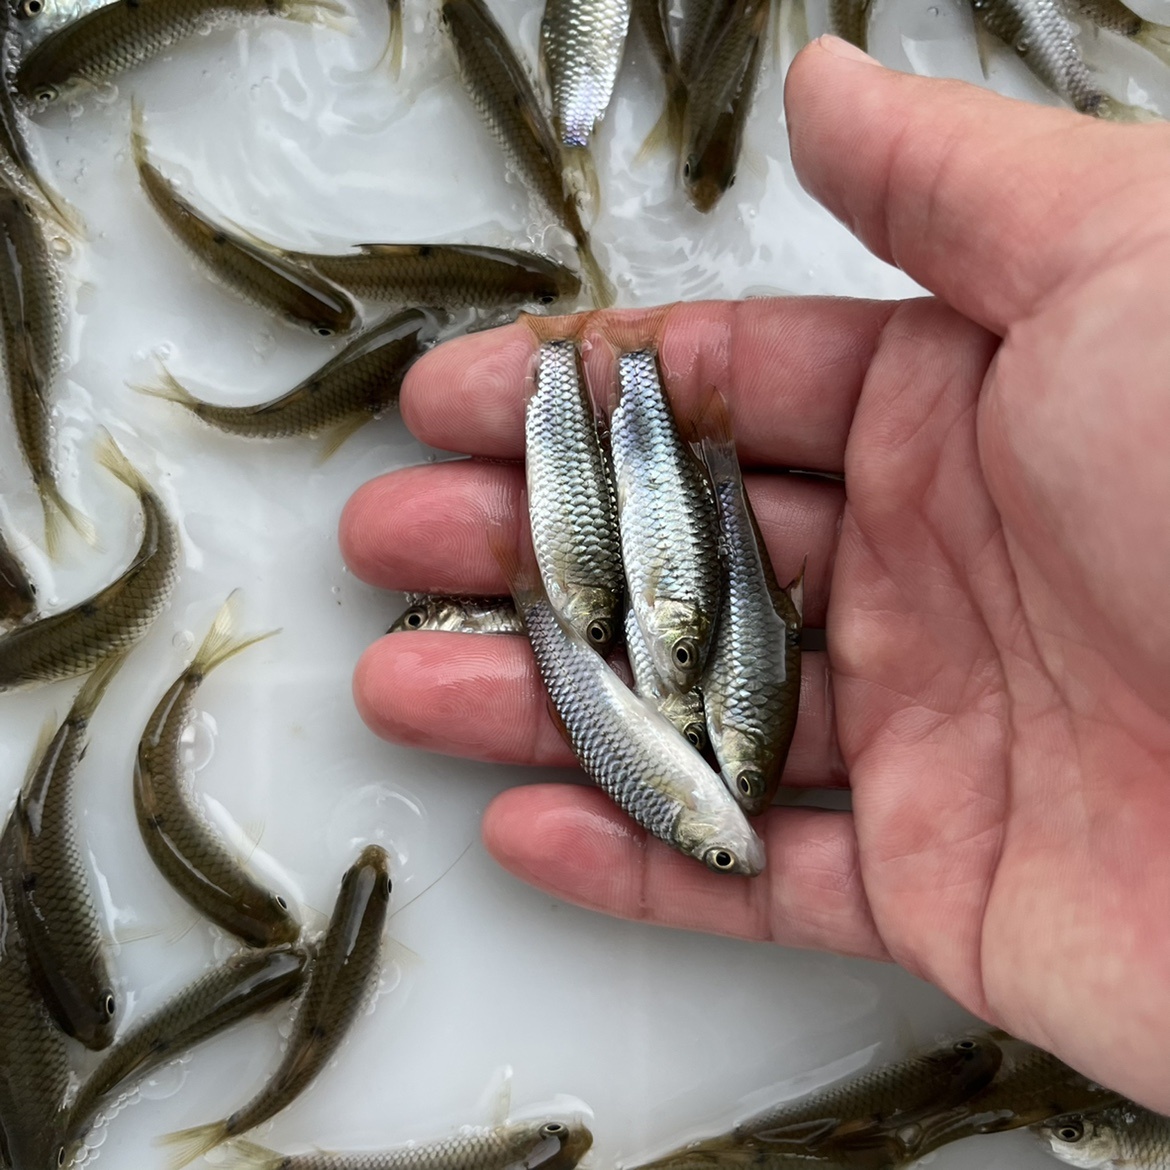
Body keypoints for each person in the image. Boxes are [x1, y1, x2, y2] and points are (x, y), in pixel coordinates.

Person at [339, 38, 1170, 1114]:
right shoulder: (705, 716)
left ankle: (601, 378)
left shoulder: (701, 729)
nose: (737, 840)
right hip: (668, 562)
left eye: (725, 843)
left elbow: (681, 654)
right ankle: (599, 377)